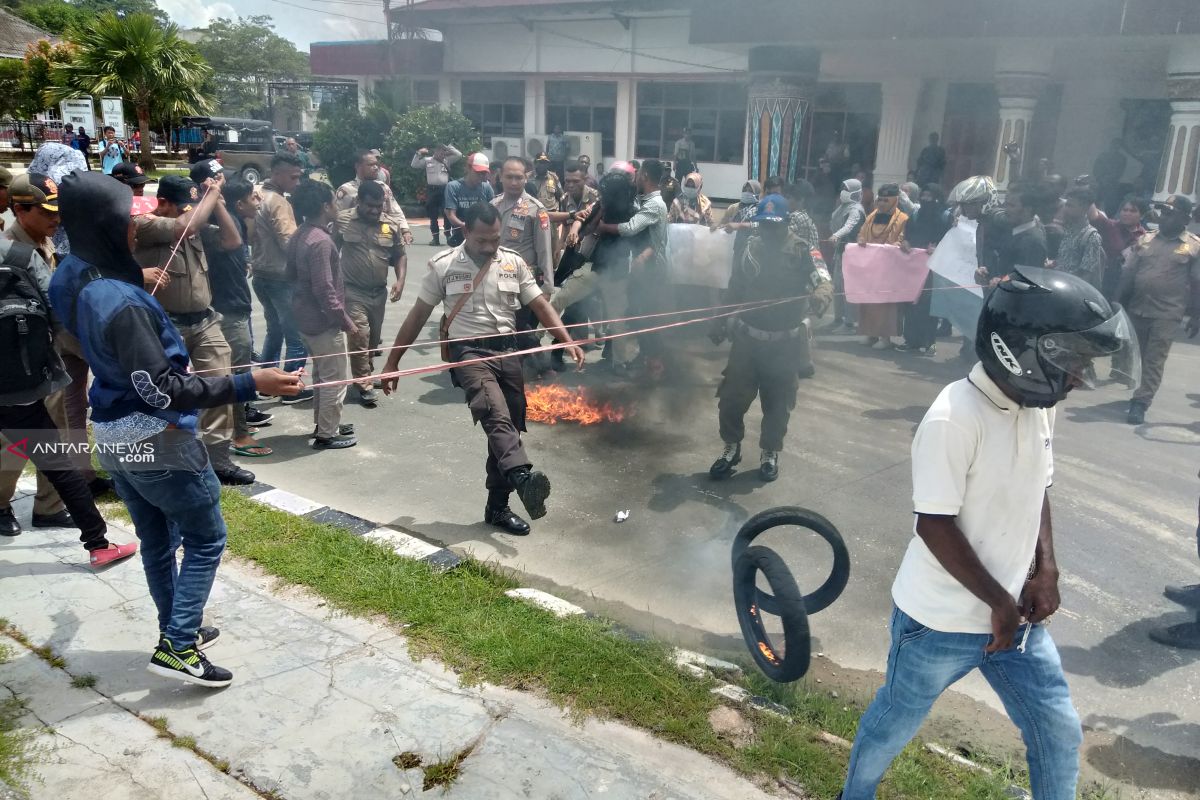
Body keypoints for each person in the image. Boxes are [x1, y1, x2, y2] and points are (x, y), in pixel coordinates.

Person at [839, 266, 1140, 800]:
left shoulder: (1035, 408)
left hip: (1015, 624)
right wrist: (998, 602)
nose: (1077, 378)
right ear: (1019, 353)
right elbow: (933, 524)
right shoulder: (954, 418)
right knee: (893, 724)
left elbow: (1037, 487)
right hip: (938, 625)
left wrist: (1045, 567)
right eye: (1069, 363)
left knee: (1057, 731)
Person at [51, 171, 303, 687]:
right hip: (156, 439)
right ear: (105, 225)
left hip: (115, 436)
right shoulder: (121, 303)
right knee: (207, 539)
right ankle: (179, 645)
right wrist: (250, 382)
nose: (137, 225)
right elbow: (165, 390)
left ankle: (176, 629)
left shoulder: (70, 276)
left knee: (157, 540)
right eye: (128, 218)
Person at [380, 203, 584, 534]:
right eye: (481, 241)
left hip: (508, 353)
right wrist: (392, 362)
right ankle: (522, 477)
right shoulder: (443, 266)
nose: (489, 248)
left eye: (495, 239)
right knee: (494, 412)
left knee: (508, 429)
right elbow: (417, 316)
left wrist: (567, 340)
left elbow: (540, 305)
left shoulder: (512, 263)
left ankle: (497, 508)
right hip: (469, 353)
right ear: (465, 233)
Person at [0, 233, 137, 565]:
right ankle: (99, 545)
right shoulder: (20, 256)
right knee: (59, 465)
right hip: (19, 388)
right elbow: (57, 313)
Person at [132, 174, 255, 486]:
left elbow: (232, 241)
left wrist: (219, 202)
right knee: (166, 394)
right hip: (165, 322)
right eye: (183, 207)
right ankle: (165, 459)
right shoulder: (147, 224)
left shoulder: (195, 225)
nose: (190, 212)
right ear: (163, 203)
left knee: (221, 385)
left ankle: (219, 461)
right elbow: (184, 226)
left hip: (204, 321)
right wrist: (208, 196)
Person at [709, 194, 832, 483]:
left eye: (774, 225)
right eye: (763, 225)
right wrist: (718, 321)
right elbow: (735, 288)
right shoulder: (751, 249)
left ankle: (769, 452)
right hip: (747, 340)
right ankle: (731, 447)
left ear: (786, 223)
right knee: (730, 399)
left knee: (778, 403)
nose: (768, 231)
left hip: (784, 344)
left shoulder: (804, 251)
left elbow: (824, 280)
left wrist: (820, 297)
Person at [202, 174, 273, 457]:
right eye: (253, 198)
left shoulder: (235, 220)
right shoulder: (221, 223)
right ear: (239, 203)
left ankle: (238, 427)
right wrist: (218, 201)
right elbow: (230, 242)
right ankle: (239, 435)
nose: (258, 202)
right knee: (238, 374)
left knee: (238, 371)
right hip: (228, 311)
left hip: (235, 306)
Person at [1118, 194, 1200, 425]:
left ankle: (1141, 403)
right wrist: (1118, 303)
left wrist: (1196, 315)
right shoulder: (1146, 240)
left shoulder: (1193, 246)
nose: (1165, 218)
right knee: (1140, 357)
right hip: (1138, 308)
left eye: (1171, 213)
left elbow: (1197, 283)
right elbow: (1128, 274)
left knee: (1155, 359)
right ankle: (1141, 390)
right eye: (1163, 213)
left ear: (1185, 217)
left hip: (1167, 313)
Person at [288, 180, 358, 450]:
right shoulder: (321, 243)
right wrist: (346, 322)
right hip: (323, 323)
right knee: (335, 379)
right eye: (334, 201)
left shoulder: (301, 234)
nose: (337, 206)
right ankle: (327, 434)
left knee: (322, 376)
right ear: (324, 206)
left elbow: (290, 275)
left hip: (304, 319)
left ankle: (325, 423)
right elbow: (325, 290)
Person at [334, 180, 406, 409]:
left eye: (379, 206)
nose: (375, 211)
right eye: (370, 206)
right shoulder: (342, 220)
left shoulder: (390, 225)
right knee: (359, 336)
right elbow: (330, 249)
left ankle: (365, 374)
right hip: (352, 290)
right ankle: (363, 384)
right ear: (359, 202)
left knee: (373, 340)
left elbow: (400, 254)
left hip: (379, 292)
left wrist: (401, 280)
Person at [597, 159, 670, 373]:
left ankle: (656, 363)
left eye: (637, 175)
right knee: (635, 314)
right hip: (641, 266)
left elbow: (630, 228)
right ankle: (643, 358)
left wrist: (603, 227)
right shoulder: (644, 200)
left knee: (646, 315)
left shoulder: (655, 204)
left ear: (645, 176)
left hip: (652, 268)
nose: (635, 179)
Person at [252, 153, 310, 391]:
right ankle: (289, 387)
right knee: (297, 336)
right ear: (277, 174)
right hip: (280, 277)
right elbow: (289, 241)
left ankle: (266, 385)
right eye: (293, 177)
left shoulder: (256, 195)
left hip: (260, 273)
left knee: (274, 331)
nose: (297, 183)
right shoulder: (278, 202)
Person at [493, 157, 554, 377]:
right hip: (495, 278)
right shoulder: (494, 206)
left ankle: (540, 367)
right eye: (509, 177)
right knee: (501, 324)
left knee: (521, 324)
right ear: (500, 177)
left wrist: (547, 287)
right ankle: (523, 367)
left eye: (519, 177)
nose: (513, 182)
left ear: (525, 178)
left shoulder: (536, 209)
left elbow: (545, 250)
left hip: (523, 280)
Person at [897, 183, 951, 355]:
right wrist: (905, 242)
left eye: (930, 196)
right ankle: (911, 340)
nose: (926, 199)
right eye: (924, 196)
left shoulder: (945, 216)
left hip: (934, 266)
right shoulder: (915, 214)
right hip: (914, 264)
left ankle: (929, 343)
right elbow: (908, 234)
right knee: (911, 303)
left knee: (929, 304)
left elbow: (950, 241)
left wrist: (938, 249)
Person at [855, 184, 909, 349]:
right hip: (871, 266)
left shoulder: (903, 219)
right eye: (880, 200)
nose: (882, 203)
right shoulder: (871, 216)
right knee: (868, 300)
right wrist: (861, 241)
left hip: (889, 268)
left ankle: (885, 338)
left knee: (885, 304)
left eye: (886, 200)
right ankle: (870, 333)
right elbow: (862, 233)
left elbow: (901, 239)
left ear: (895, 200)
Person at [1089, 195, 1147, 301]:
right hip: (1103, 283)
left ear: (1142, 216)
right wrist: (1087, 191)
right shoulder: (1110, 226)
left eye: (1133, 211)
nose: (1127, 213)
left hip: (1128, 289)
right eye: (1125, 210)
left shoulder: (1146, 237)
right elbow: (1093, 215)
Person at [988, 184, 1048, 282]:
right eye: (1006, 204)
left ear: (1028, 210)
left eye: (1012, 206)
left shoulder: (1033, 241)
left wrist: (1002, 282)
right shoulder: (1012, 231)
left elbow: (1027, 280)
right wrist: (987, 273)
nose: (1006, 210)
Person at [829, 178, 866, 334]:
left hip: (852, 253)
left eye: (847, 189)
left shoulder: (856, 209)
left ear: (855, 192)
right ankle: (838, 318)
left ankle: (849, 323)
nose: (843, 191)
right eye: (842, 188)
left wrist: (836, 235)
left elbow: (849, 226)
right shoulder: (842, 207)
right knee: (838, 286)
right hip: (841, 251)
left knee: (848, 288)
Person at [1052, 187, 1105, 288]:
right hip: (1058, 286)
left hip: (1072, 291)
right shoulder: (1068, 230)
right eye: (1066, 205)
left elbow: (1086, 275)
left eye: (1070, 206)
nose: (1065, 209)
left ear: (1084, 208)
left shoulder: (1091, 237)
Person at [412, 143, 462, 246]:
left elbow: (459, 155)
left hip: (445, 189)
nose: (442, 154)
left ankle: (448, 236)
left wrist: (449, 148)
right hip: (432, 190)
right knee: (433, 215)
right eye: (440, 152)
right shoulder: (428, 160)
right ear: (435, 151)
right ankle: (435, 238)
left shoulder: (447, 161)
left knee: (447, 213)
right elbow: (414, 164)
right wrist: (418, 153)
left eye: (444, 152)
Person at [444, 153, 496, 247]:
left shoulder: (487, 188)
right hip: (461, 234)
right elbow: (450, 214)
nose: (481, 176)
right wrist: (462, 225)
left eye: (484, 173)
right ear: (468, 168)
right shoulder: (453, 187)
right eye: (478, 172)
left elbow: (494, 212)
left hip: (484, 236)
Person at [1093, 138, 1128, 215]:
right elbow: (1096, 169)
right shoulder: (1102, 156)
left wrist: (1110, 179)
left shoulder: (1122, 158)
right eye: (1114, 144)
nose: (1115, 146)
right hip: (1100, 183)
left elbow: (1119, 172)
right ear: (1110, 145)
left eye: (1118, 145)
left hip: (1112, 185)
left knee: (1110, 205)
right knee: (1096, 202)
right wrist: (1101, 179)